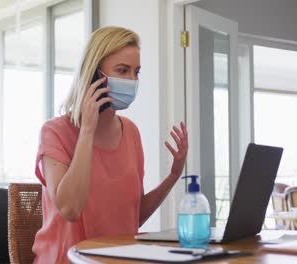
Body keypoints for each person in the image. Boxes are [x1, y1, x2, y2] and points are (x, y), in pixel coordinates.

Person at [32, 26, 189, 263]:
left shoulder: (131, 132)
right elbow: (70, 210)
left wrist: (173, 175)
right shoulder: (55, 132)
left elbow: (132, 218)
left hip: (118, 258)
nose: (132, 81)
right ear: (94, 75)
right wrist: (87, 130)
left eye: (136, 72)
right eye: (122, 71)